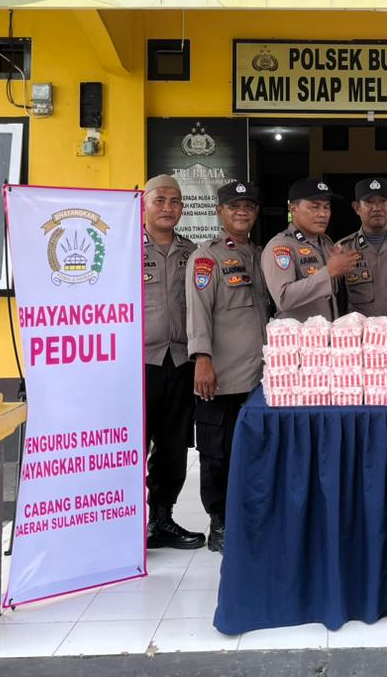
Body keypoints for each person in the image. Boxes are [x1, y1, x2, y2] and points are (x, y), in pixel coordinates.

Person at [186, 180, 271, 554]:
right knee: (217, 454)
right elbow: (198, 312)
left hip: (259, 376)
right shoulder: (207, 257)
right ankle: (219, 522)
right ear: (220, 211)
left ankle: (251, 517)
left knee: (254, 451)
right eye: (234, 206)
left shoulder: (260, 254)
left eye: (249, 206)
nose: (242, 212)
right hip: (222, 376)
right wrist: (202, 359)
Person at [140, 174, 205, 550]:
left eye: (175, 201)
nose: (168, 207)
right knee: (131, 444)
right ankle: (121, 524)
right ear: (144, 204)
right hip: (138, 364)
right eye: (160, 200)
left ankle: (161, 519)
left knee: (173, 445)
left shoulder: (191, 252)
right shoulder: (126, 246)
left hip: (180, 362)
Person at [262, 177, 355, 320]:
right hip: (300, 334)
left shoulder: (326, 242)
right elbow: (283, 298)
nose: (323, 214)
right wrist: (328, 272)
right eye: (315, 207)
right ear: (293, 209)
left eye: (326, 207)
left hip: (327, 331)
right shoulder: (281, 245)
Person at [336, 176, 387, 318]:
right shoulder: (343, 249)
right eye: (369, 202)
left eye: (383, 201)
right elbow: (336, 301)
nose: (377, 208)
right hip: (359, 331)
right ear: (357, 208)